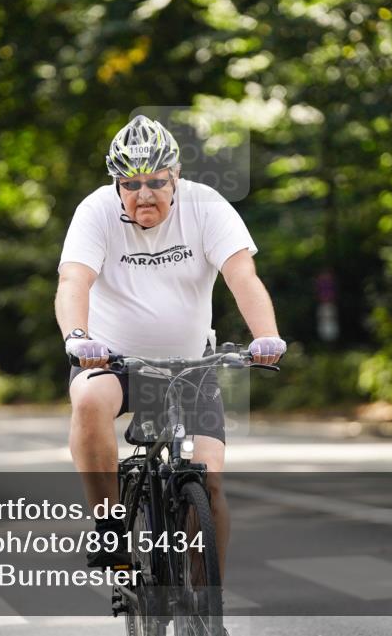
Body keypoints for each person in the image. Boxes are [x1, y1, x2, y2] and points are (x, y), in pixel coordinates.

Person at [55, 115, 286, 580]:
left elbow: (242, 276)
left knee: (209, 481)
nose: (144, 194)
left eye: (156, 182)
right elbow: (72, 280)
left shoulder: (206, 206)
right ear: (116, 183)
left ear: (176, 175)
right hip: (116, 361)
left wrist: (267, 334)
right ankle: (109, 523)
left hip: (191, 366)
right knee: (88, 397)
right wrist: (78, 339)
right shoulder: (96, 211)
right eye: (131, 183)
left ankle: (205, 605)